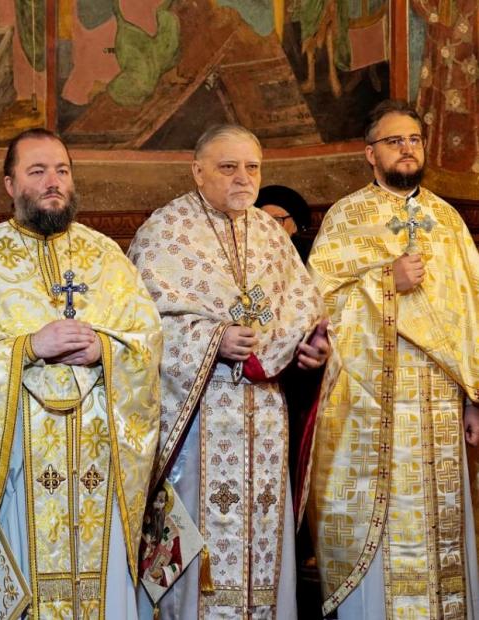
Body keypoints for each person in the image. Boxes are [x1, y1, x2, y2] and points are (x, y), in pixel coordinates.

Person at [0, 128, 176, 618]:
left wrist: (104, 348)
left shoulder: (106, 256)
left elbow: (146, 339)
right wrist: (29, 347)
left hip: (99, 461)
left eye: (62, 170)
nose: (53, 181)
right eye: (38, 171)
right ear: (10, 184)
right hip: (19, 466)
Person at [128, 124, 333, 618]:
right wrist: (211, 339)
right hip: (197, 420)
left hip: (265, 419)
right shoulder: (165, 231)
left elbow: (303, 310)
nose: (243, 178)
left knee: (265, 539)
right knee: (199, 546)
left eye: (252, 167)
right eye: (228, 167)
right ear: (197, 171)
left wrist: (313, 349)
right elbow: (139, 327)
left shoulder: (271, 234)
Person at [306, 99, 479, 617]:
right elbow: (319, 307)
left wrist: (474, 395)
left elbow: (473, 310)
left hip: (443, 406)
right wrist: (387, 282)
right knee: (385, 526)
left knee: (443, 525)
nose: (407, 149)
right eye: (394, 140)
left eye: (414, 139)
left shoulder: (447, 221)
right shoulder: (347, 217)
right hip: (374, 404)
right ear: (370, 153)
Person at [254, 184, 313, 262]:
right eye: (263, 219)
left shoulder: (311, 255)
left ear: (295, 226)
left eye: (277, 220)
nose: (269, 226)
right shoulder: (250, 252)